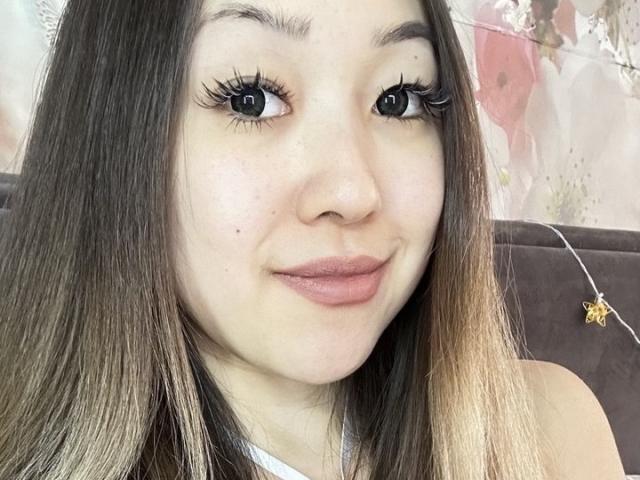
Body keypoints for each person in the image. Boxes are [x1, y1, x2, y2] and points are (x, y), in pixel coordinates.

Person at [0, 0, 626, 479]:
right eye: (252, 99)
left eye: (398, 99)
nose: (352, 193)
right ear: (114, 138)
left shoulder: (547, 433)